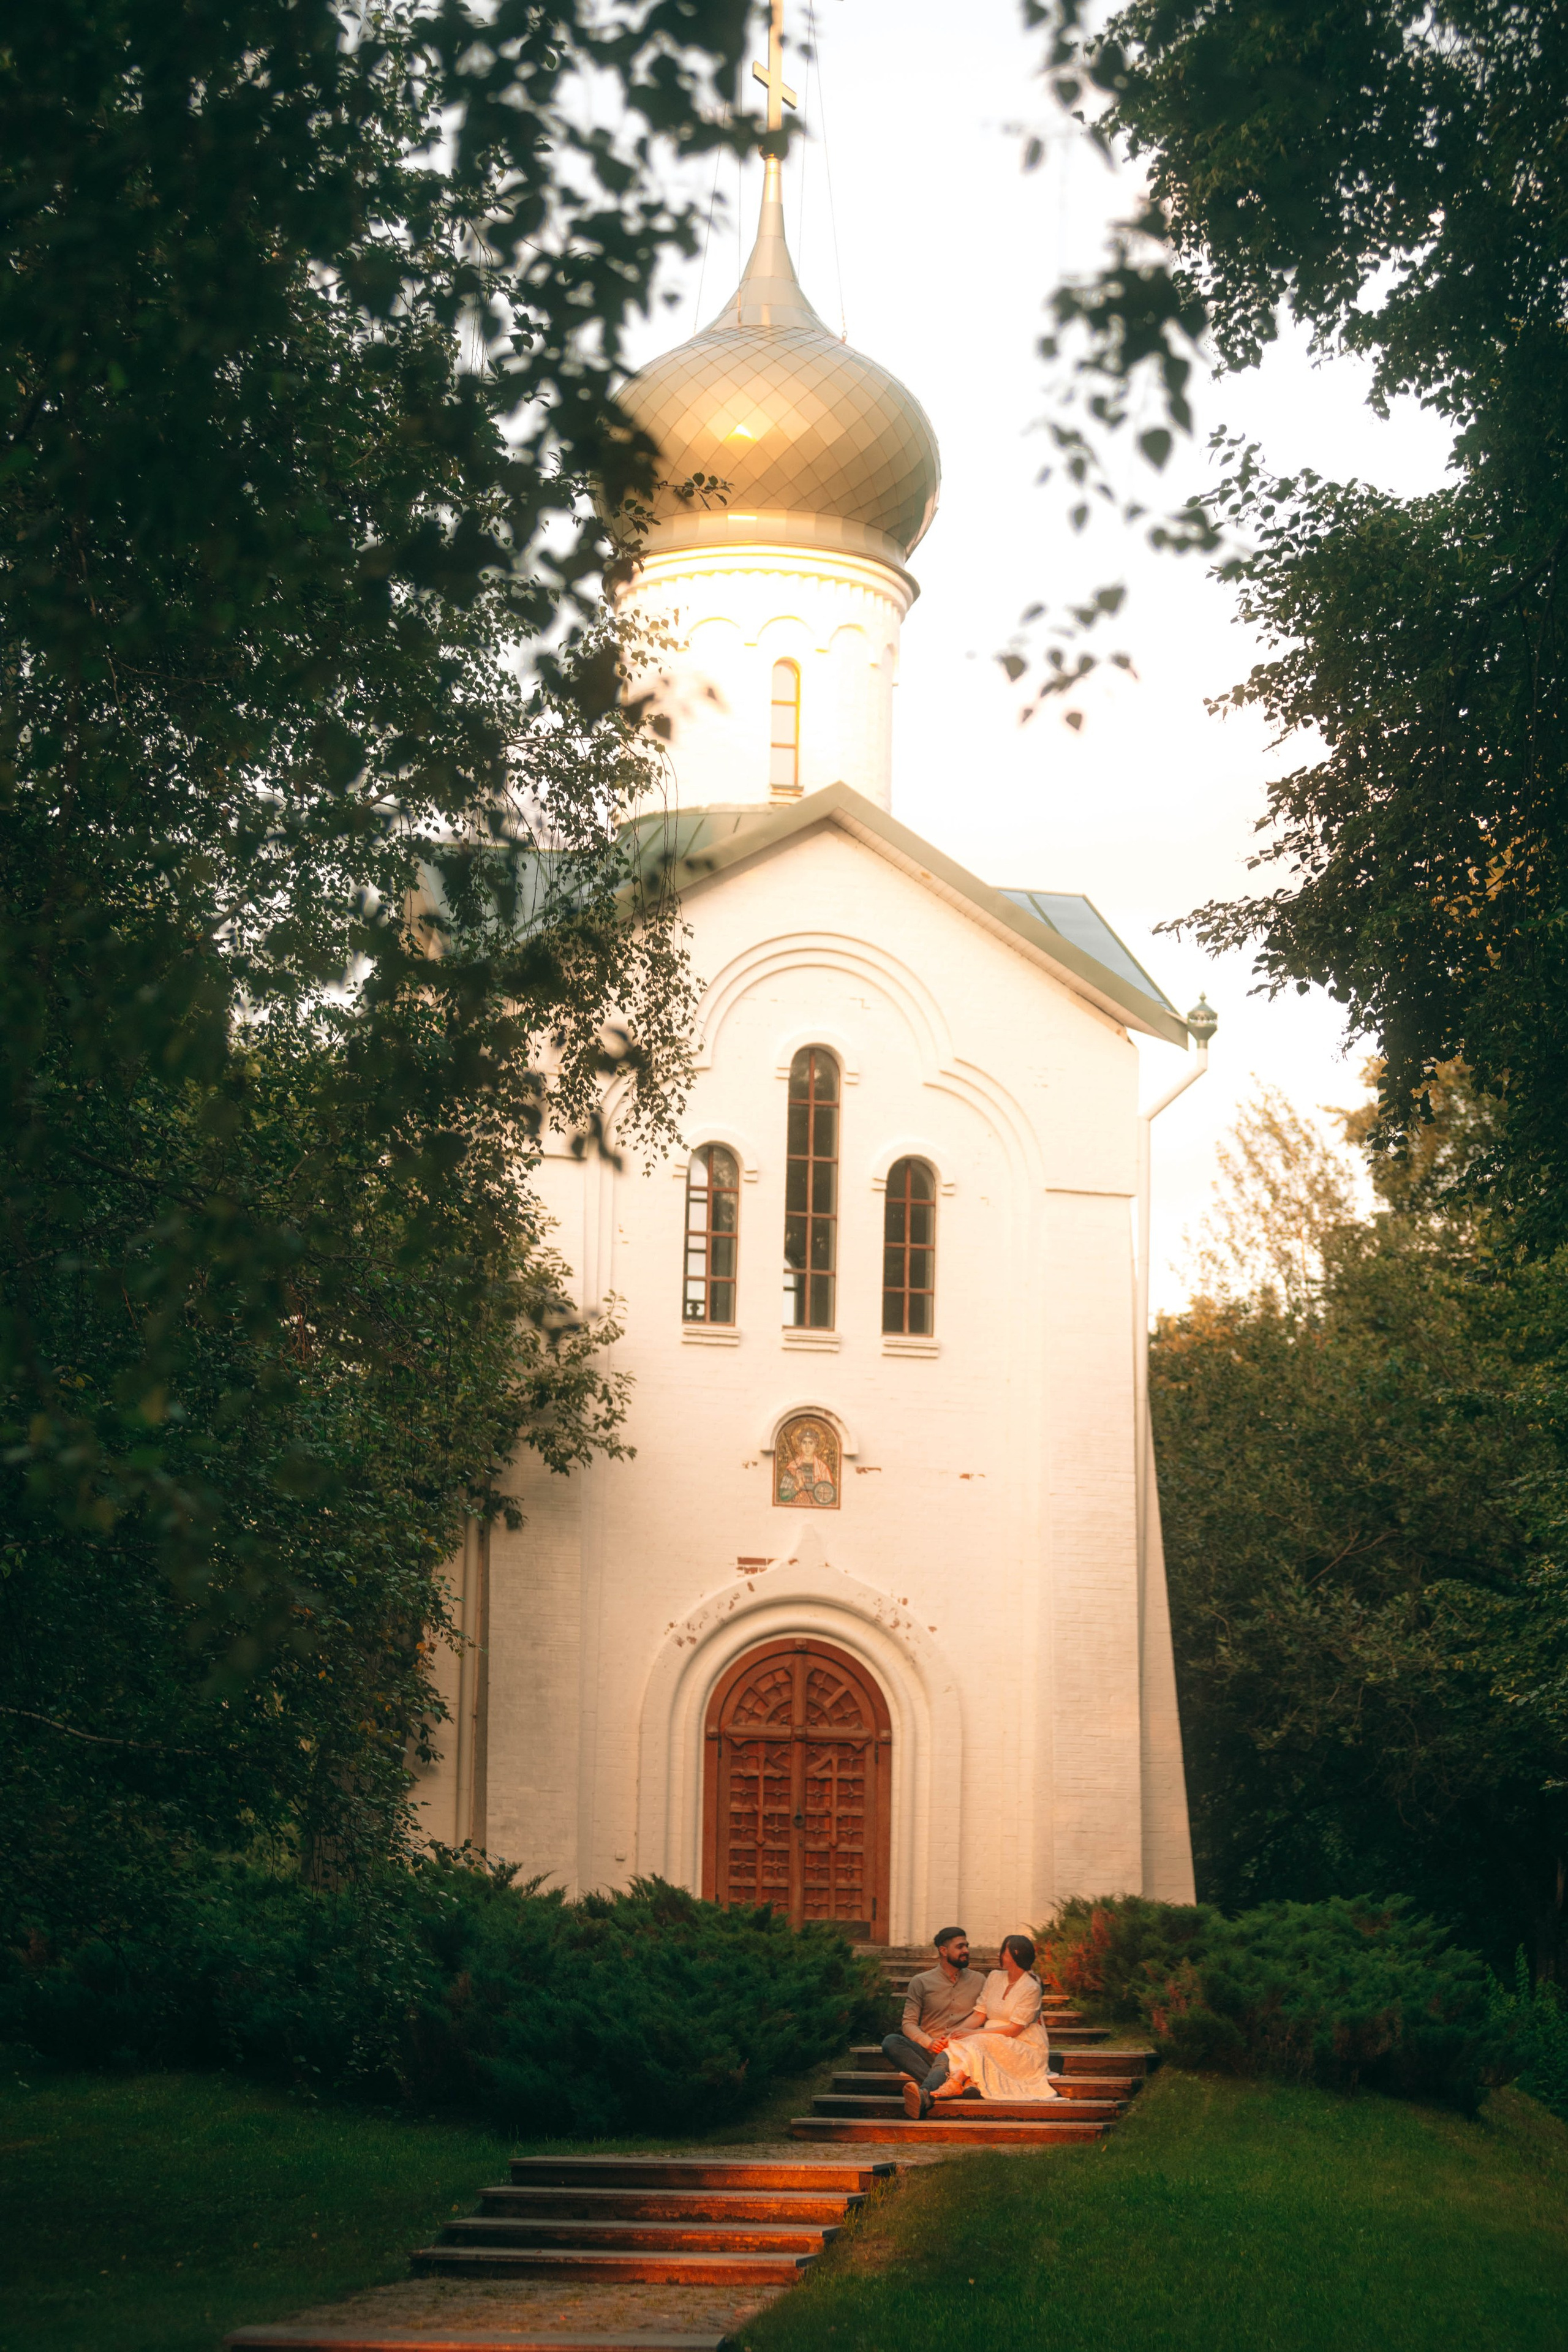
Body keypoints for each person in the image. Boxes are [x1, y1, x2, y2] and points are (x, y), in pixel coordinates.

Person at [911, 1932, 1057, 2116]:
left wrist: (973, 2034)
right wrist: (955, 2032)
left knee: (973, 2041)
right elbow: (979, 2015)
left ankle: (954, 2082)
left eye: (1003, 1951)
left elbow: (1014, 2029)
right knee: (959, 2040)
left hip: (1023, 2043)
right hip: (991, 2038)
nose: (1000, 1955)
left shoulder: (1031, 1988)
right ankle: (941, 2088)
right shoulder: (995, 1977)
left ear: (1015, 1954)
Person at [881, 1928, 986, 2108]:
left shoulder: (980, 1980)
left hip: (962, 2054)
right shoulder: (921, 1981)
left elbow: (986, 2015)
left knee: (948, 2054)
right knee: (891, 2042)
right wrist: (929, 2042)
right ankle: (955, 2084)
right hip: (928, 2051)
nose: (966, 1951)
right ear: (943, 1951)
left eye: (967, 1946)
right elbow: (908, 2023)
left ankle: (925, 2093)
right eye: (960, 1947)